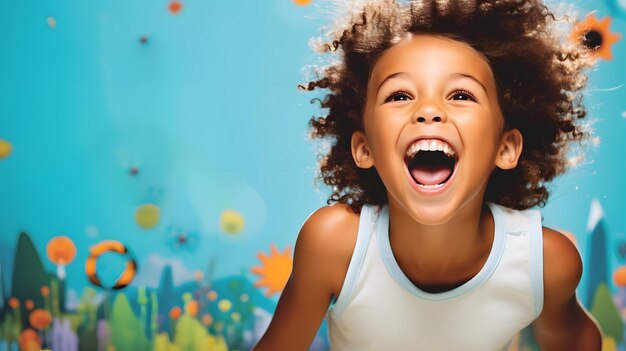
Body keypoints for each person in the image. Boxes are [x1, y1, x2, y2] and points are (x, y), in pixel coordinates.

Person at [255, 0, 603, 350]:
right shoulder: (334, 246)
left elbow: (574, 340)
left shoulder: (544, 263)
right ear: (364, 149)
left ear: (506, 148)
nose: (429, 111)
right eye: (400, 95)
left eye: (461, 94)